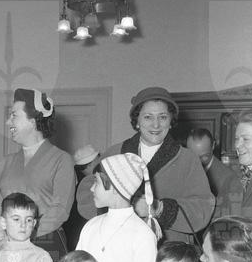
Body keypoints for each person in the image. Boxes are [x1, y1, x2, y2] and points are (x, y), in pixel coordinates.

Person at [78, 87, 215, 241]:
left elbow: (203, 210)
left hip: (169, 249)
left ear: (171, 121)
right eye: (148, 117)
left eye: (163, 117)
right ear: (137, 121)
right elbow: (85, 198)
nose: (156, 125)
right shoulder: (116, 153)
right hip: (120, 244)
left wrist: (158, 208)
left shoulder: (187, 159)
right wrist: (121, 205)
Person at [0, 88, 74, 262]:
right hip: (6, 245)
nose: (8, 122)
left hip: (46, 244)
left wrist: (23, 235)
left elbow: (60, 209)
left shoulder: (61, 159)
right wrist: (0, 233)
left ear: (33, 121)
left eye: (14, 116)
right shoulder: (5, 162)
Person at [215, 109, 252, 224]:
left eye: (246, 139)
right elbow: (217, 222)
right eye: (236, 139)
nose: (237, 145)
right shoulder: (231, 179)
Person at [186, 128, 237, 202]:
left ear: (213, 146)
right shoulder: (182, 170)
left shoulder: (228, 179)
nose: (197, 162)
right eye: (193, 156)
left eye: (203, 156)